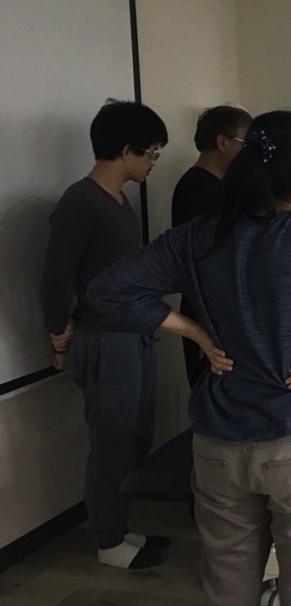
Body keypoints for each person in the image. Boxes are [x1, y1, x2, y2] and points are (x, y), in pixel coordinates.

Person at [89, 111, 291, 604]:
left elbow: (108, 290)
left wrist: (193, 331)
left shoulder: (196, 238)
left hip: (221, 444)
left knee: (228, 587)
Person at [40, 99, 169, 570]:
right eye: (151, 152)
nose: (153, 162)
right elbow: (56, 274)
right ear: (126, 150)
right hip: (104, 339)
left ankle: (120, 525)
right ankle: (108, 539)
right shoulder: (81, 201)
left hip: (133, 334)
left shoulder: (118, 199)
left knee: (135, 437)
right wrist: (57, 331)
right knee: (112, 441)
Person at [171, 105, 251, 388]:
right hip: (207, 315)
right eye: (244, 142)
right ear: (222, 142)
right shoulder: (197, 189)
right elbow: (204, 261)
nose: (247, 152)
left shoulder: (222, 187)